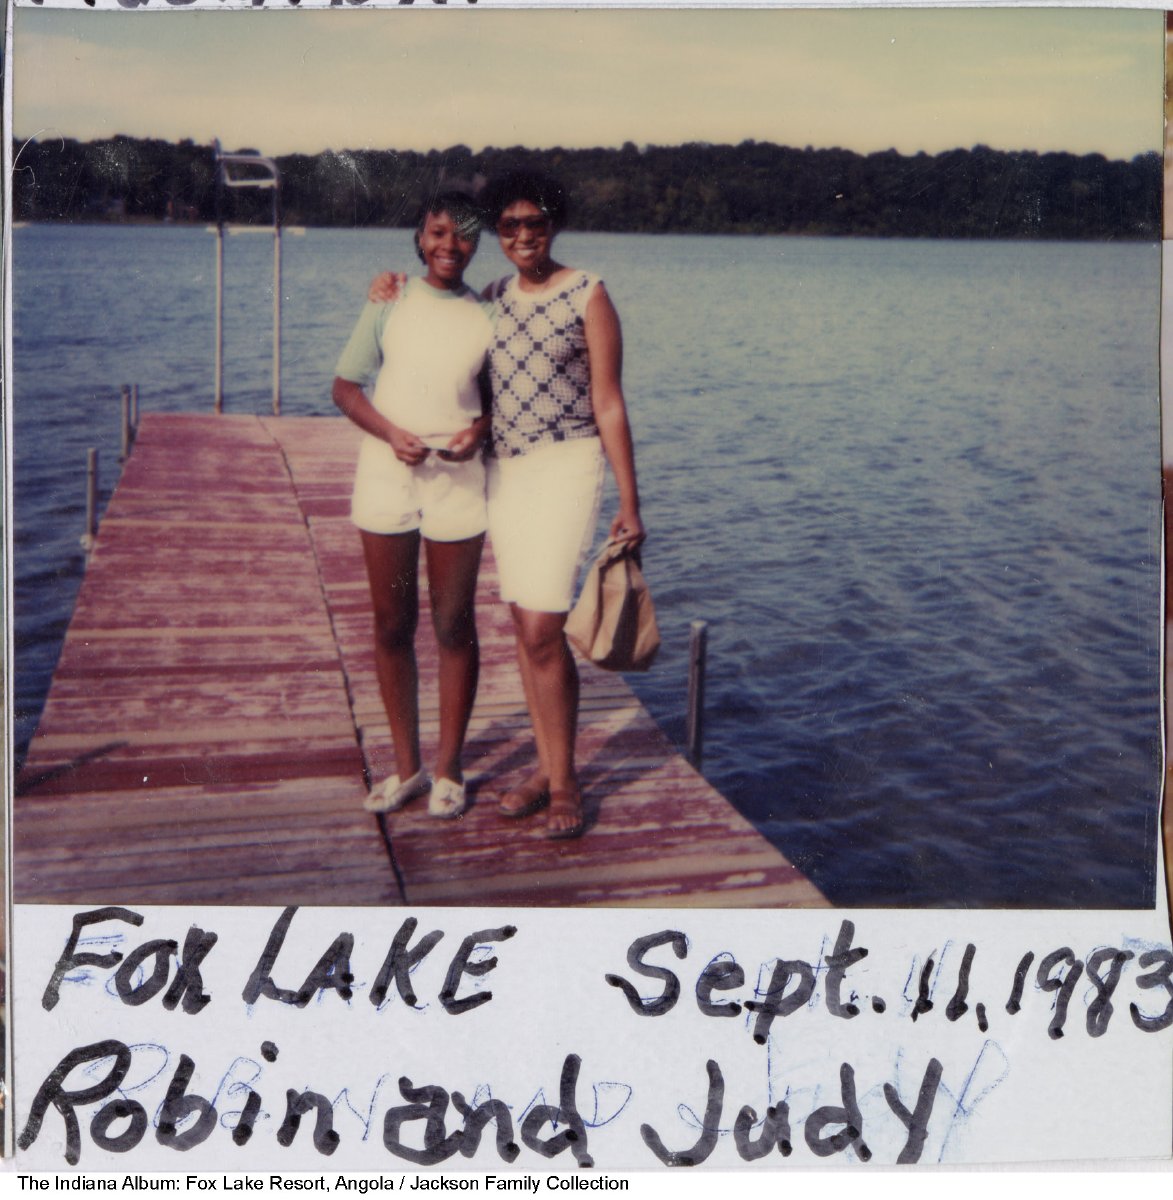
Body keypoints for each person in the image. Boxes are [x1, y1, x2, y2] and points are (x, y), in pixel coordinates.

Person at [370, 172, 645, 839]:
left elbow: (608, 400)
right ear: (497, 233)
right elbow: (468, 368)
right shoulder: (491, 297)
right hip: (505, 474)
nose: (523, 235)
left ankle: (566, 784)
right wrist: (391, 293)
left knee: (543, 629)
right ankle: (548, 770)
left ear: (554, 224)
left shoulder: (588, 293)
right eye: (510, 225)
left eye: (536, 223)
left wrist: (630, 500)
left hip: (568, 467)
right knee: (526, 628)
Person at [333, 190, 495, 820]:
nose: (449, 245)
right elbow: (345, 387)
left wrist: (474, 435)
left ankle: (450, 770)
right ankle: (407, 769)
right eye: (437, 232)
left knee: (454, 624)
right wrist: (388, 431)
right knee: (391, 624)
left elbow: (492, 408)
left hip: (457, 481)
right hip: (388, 475)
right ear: (419, 239)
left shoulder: (487, 315)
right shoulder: (389, 300)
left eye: (463, 235)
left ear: (477, 243)